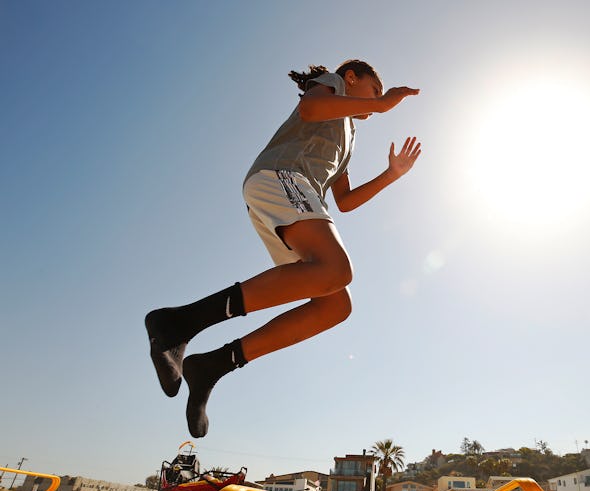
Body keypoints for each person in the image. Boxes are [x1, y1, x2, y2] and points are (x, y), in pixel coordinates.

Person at [145, 59, 421, 438]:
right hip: (282, 178)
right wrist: (382, 104)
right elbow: (309, 108)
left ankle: (213, 365)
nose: (378, 98)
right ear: (352, 78)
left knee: (335, 304)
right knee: (337, 270)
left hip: (297, 198)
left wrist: (392, 174)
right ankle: (178, 323)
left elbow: (347, 201)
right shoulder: (333, 87)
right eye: (375, 89)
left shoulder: (349, 133)